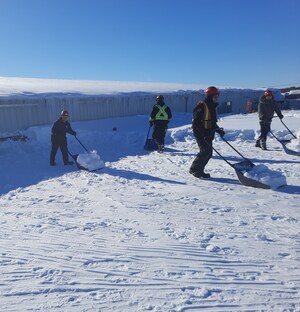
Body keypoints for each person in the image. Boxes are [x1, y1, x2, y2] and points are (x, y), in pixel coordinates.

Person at [189, 86, 225, 179]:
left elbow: (212, 122)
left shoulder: (212, 106)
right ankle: (195, 169)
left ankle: (198, 169)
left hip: (208, 132)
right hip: (200, 132)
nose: (217, 98)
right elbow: (196, 123)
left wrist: (218, 130)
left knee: (208, 153)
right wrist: (204, 134)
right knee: (205, 151)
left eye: (217, 96)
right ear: (210, 96)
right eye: (215, 97)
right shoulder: (201, 106)